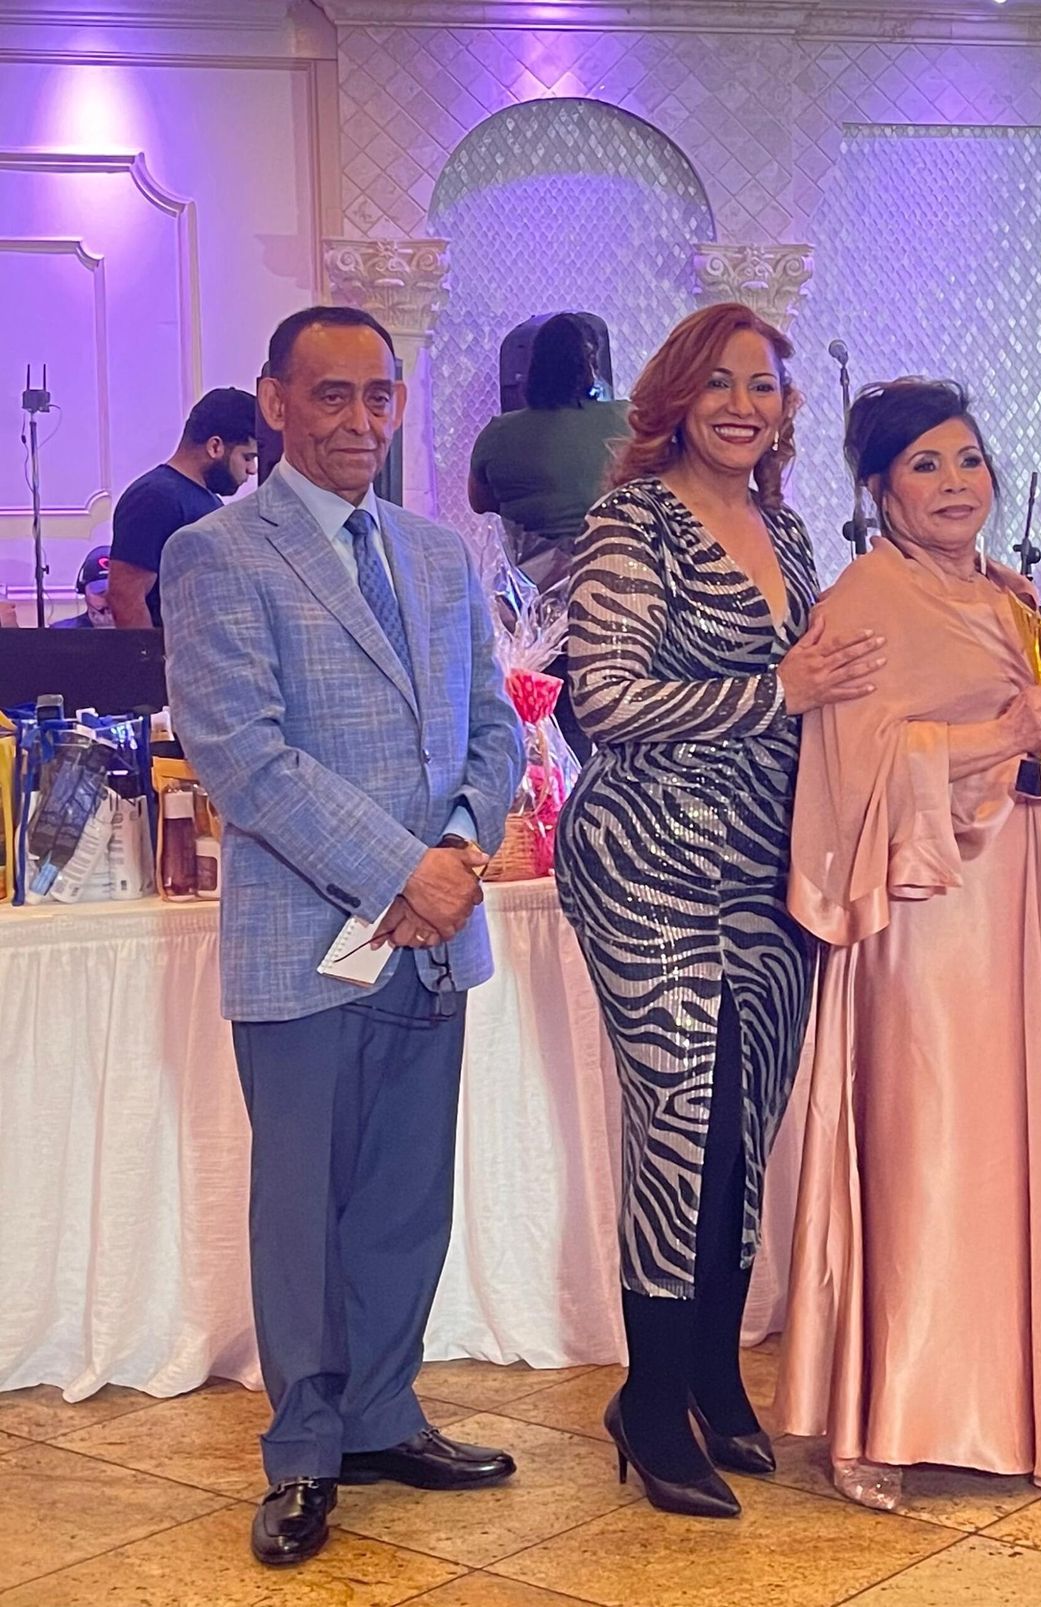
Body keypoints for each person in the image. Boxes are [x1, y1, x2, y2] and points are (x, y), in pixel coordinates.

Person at [159, 305, 526, 1568]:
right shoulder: (218, 553)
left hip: (435, 936)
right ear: (273, 401)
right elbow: (244, 757)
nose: (361, 420)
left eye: (379, 395)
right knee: (303, 1210)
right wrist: (403, 872)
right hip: (307, 938)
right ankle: (306, 1450)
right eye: (330, 394)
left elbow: (495, 726)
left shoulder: (435, 551)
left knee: (404, 1198)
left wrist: (458, 853)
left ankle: (382, 1414)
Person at [774, 378, 1041, 1509]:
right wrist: (1005, 729)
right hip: (919, 913)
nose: (955, 484)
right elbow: (851, 768)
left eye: (969, 460)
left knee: (1007, 1147)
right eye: (925, 464)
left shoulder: (1009, 596)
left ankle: (1011, 1405)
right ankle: (882, 1416)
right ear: (878, 485)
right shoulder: (863, 599)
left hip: (1015, 897)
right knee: (922, 1146)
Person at [554, 302, 884, 1520]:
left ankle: (710, 1373)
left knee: (744, 1126)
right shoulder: (632, 521)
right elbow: (606, 697)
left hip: (767, 864)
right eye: (722, 383)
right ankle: (649, 1400)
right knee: (680, 1120)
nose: (745, 405)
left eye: (765, 385)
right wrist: (773, 689)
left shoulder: (788, 527)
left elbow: (840, 676)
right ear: (677, 397)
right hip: (647, 859)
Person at [470, 313, 630, 757]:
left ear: (531, 368)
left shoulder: (500, 433)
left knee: (549, 724)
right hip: (617, 592)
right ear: (591, 365)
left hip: (533, 603)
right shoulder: (625, 419)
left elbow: (480, 502)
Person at [109, 386, 259, 627]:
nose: (252, 469)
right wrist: (150, 653)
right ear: (215, 447)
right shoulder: (155, 497)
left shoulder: (206, 500)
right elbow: (125, 596)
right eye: (247, 457)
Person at [50, 547, 113, 629]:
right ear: (84, 591)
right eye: (100, 593)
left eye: (117, 593)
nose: (109, 599)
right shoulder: (61, 632)